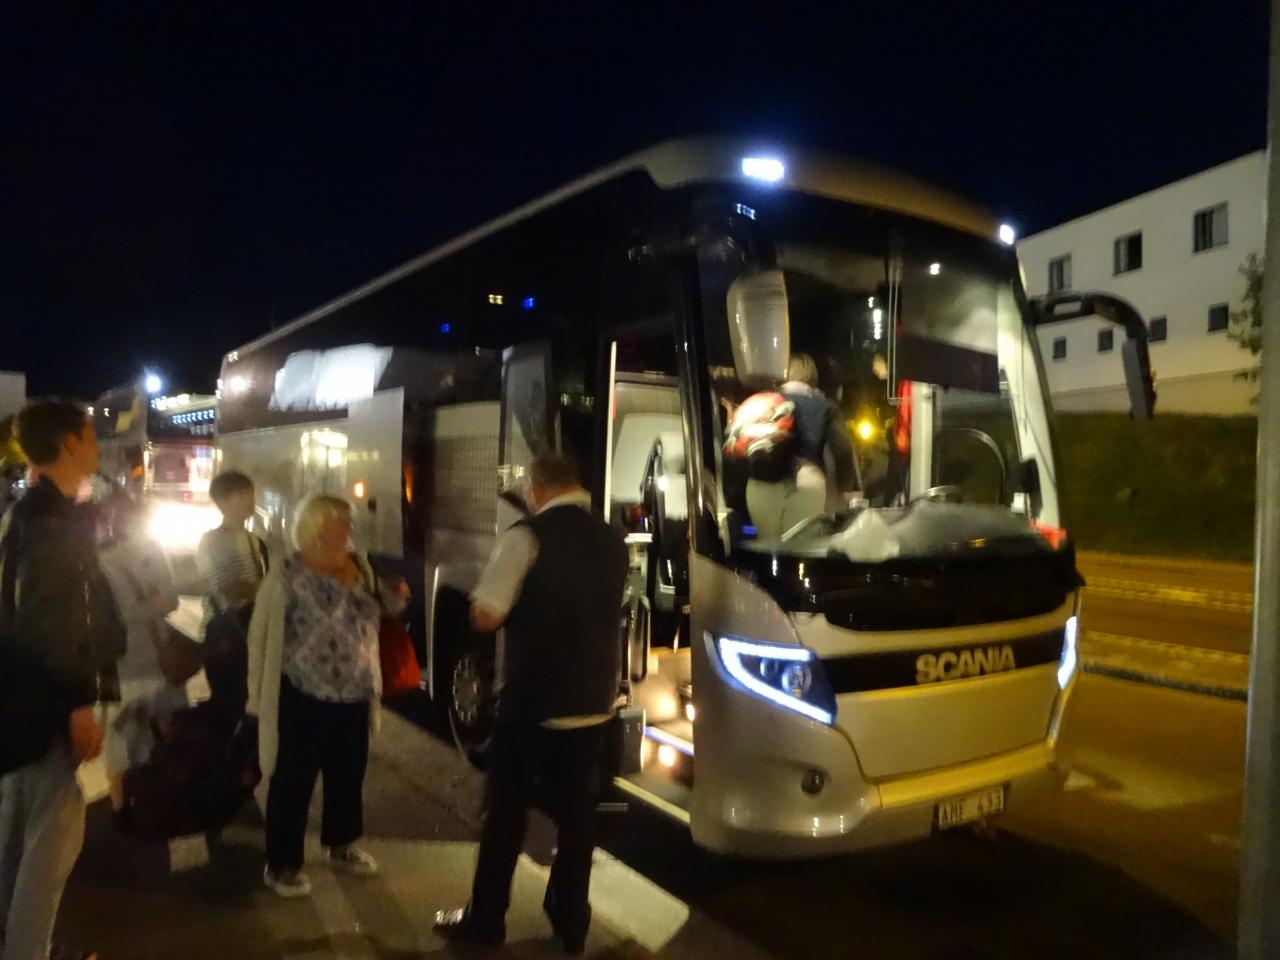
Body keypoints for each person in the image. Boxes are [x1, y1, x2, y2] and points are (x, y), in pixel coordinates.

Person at [435, 454, 629, 956]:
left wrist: (479, 605)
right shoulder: (613, 540)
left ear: (537, 489)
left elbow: (486, 615)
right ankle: (571, 921)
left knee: (506, 812)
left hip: (533, 702)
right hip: (594, 702)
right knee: (577, 816)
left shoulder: (525, 537)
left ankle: (486, 920)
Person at [0, 398, 125, 960]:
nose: (97, 447)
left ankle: (20, 944)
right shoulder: (51, 523)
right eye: (91, 437)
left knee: (17, 835)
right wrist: (78, 704)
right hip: (45, 706)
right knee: (51, 846)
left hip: (20, 700)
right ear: (70, 444)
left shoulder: (29, 513)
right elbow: (51, 622)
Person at [247, 495, 382, 898]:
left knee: (348, 775)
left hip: (353, 691)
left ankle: (342, 844)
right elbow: (260, 638)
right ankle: (282, 864)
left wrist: (390, 595)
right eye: (340, 521)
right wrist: (256, 697)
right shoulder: (287, 575)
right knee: (293, 780)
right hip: (302, 693)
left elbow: (374, 615)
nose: (348, 528)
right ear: (316, 525)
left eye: (348, 521)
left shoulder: (358, 568)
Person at [96, 495, 186, 831]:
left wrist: (147, 606)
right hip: (146, 659)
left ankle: (123, 808)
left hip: (126, 663)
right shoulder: (145, 555)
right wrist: (153, 605)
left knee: (123, 739)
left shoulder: (102, 561)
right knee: (157, 732)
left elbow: (165, 602)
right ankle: (146, 801)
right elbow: (168, 601)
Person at [744, 353, 860, 540]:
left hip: (760, 482)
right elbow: (842, 449)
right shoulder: (825, 406)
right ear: (812, 377)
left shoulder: (762, 402)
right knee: (799, 546)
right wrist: (845, 487)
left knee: (768, 544)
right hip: (806, 481)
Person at [196, 470, 267, 711]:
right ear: (223, 502)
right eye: (242, 494)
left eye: (250, 493)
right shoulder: (212, 541)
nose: (250, 499)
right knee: (229, 704)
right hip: (225, 632)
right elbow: (228, 589)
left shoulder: (254, 540)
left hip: (250, 629)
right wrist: (266, 589)